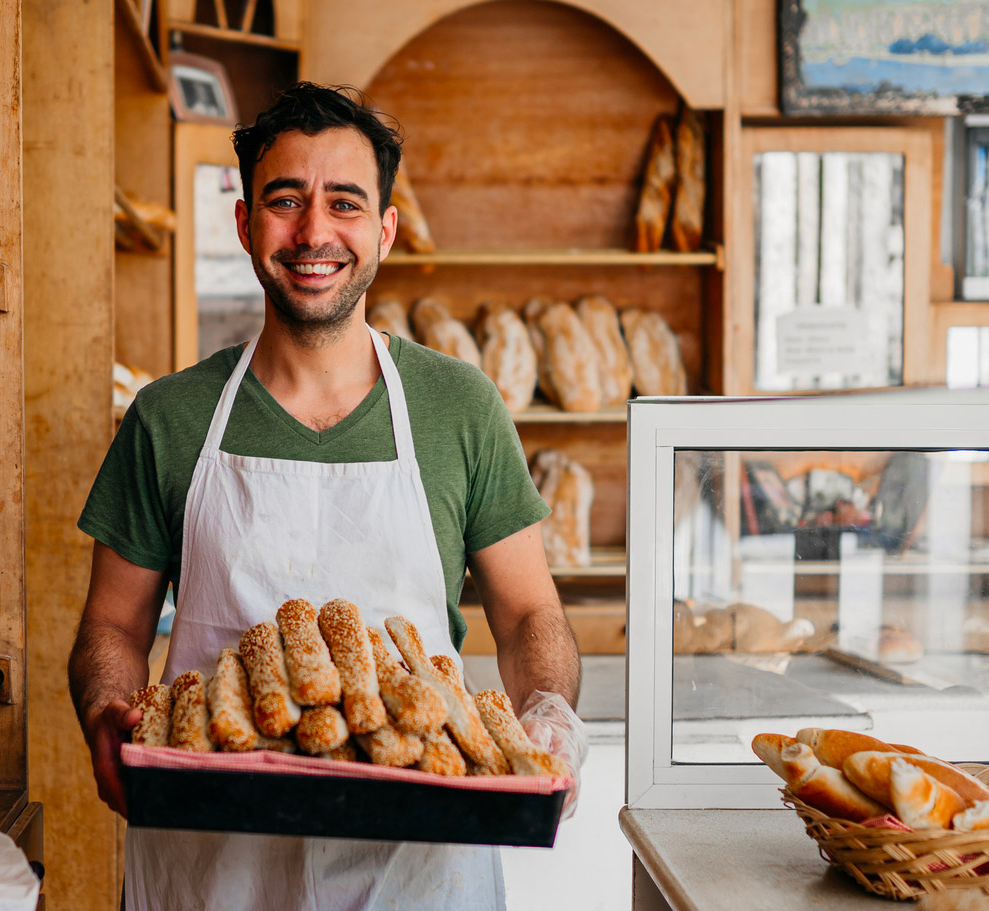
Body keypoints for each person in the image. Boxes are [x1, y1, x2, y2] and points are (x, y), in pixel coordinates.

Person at [68, 82, 583, 911]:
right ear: (244, 225)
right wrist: (104, 710)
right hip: (209, 866)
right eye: (284, 201)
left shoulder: (459, 406)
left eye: (344, 203)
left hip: (420, 867)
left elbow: (527, 615)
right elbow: (112, 625)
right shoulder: (170, 415)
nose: (313, 233)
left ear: (383, 230)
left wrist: (548, 709)